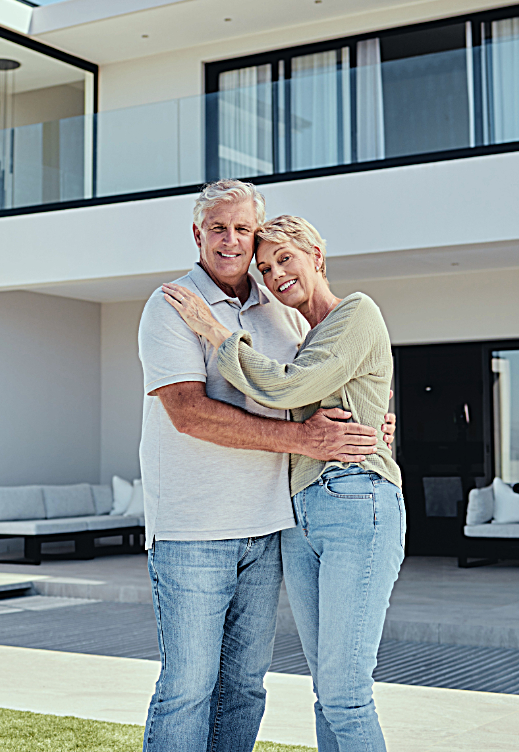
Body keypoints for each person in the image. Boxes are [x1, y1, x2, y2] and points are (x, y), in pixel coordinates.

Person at [138, 180, 395, 752]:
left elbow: (314, 389)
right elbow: (188, 414)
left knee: (247, 689)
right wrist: (304, 437)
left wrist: (371, 422)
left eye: (244, 230)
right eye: (219, 229)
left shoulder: (286, 315)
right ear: (197, 234)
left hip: (271, 528)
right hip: (193, 530)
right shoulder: (174, 305)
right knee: (188, 687)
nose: (232, 242)